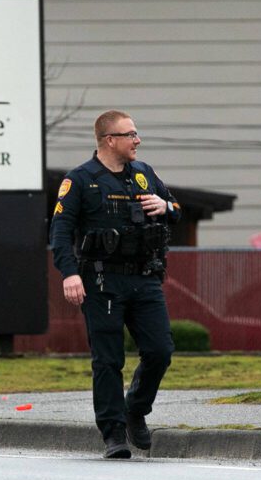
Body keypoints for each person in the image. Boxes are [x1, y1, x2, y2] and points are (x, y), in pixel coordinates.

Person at [49, 110, 181, 458]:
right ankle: (113, 433)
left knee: (160, 351)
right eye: (130, 134)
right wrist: (70, 273)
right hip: (102, 280)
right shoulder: (80, 180)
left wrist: (164, 205)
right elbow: (60, 232)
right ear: (110, 140)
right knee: (108, 360)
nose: (137, 140)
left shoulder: (144, 174)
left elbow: (176, 209)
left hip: (144, 277)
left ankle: (135, 408)